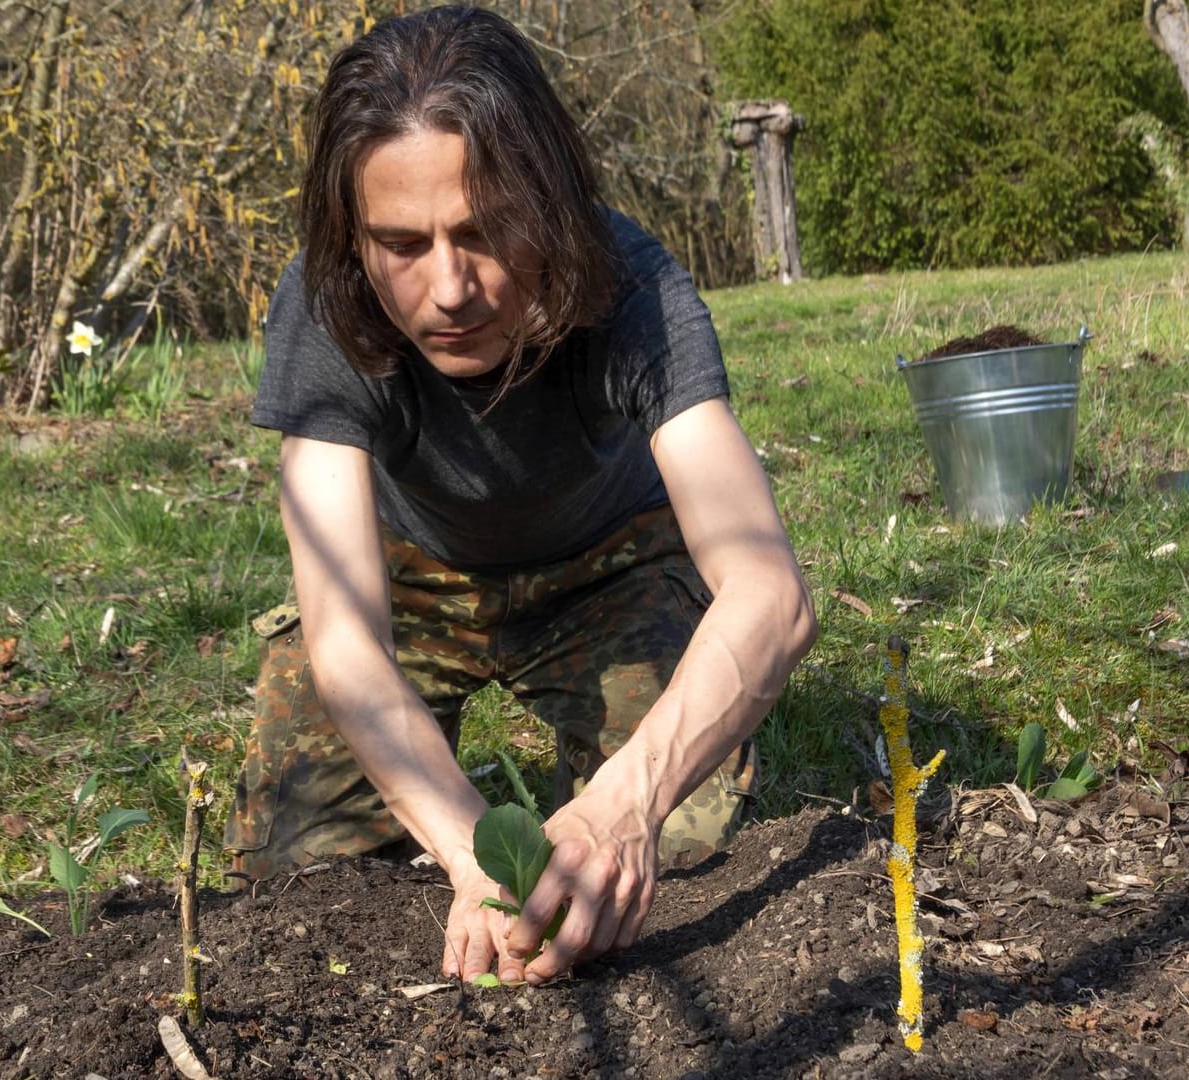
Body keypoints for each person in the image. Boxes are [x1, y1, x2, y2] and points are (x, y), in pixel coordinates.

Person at [222, 4, 816, 987]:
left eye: (486, 232)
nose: (448, 289)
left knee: (689, 844)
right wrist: (473, 857)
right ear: (351, 238)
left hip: (609, 569)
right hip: (406, 584)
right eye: (401, 244)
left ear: (548, 203)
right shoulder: (323, 307)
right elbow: (343, 639)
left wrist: (621, 810)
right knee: (295, 870)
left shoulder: (636, 291)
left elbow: (769, 595)